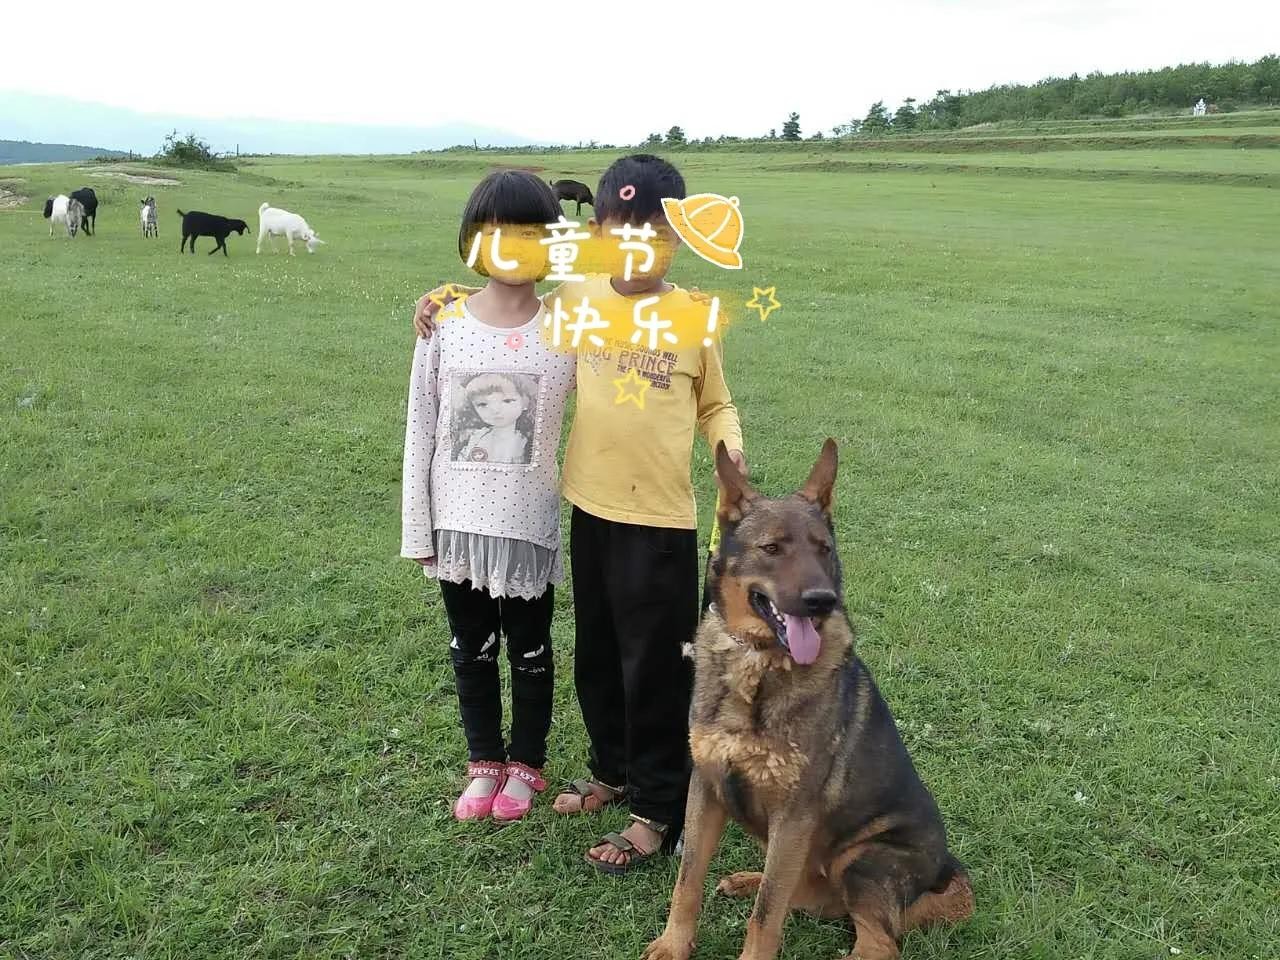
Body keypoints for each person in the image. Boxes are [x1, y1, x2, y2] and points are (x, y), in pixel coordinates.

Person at [413, 155, 746, 872]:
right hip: (589, 510)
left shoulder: (693, 317)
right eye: (622, 235)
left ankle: (658, 808)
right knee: (597, 656)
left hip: (661, 523)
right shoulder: (577, 297)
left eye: (656, 237)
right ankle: (612, 769)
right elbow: (511, 304)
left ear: (679, 238)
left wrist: (731, 454)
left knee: (654, 667)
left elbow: (716, 403)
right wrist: (445, 296)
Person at [401, 170, 575, 823]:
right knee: (469, 647)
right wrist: (419, 529)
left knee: (530, 649)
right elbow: (421, 427)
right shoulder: (443, 324)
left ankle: (525, 763)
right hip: (460, 528)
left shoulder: (570, 326)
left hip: (528, 527)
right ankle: (484, 762)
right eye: (497, 234)